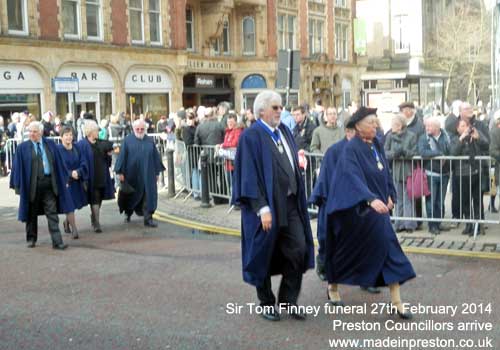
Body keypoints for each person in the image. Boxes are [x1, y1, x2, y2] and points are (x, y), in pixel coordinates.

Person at [231, 90, 315, 322]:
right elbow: (248, 175)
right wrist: (261, 208)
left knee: (298, 249)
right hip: (266, 208)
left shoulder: (284, 131)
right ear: (261, 112)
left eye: (281, 107)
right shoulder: (251, 136)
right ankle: (266, 302)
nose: (281, 111)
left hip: (290, 204)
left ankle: (288, 299)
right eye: (275, 108)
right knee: (263, 254)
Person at [325, 107, 415, 319]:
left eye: (376, 122)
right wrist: (370, 198)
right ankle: (333, 287)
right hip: (358, 210)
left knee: (389, 247)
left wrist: (390, 193)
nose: (376, 126)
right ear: (357, 127)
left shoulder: (376, 144)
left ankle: (397, 302)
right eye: (371, 123)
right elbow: (352, 177)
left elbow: (385, 170)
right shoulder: (351, 149)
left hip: (380, 211)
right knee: (346, 252)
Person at [9, 121, 72, 249]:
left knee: (52, 213)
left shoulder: (50, 144)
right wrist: (18, 186)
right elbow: (17, 168)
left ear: (41, 132)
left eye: (35, 131)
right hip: (32, 185)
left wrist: (64, 179)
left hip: (49, 183)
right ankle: (31, 238)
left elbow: (59, 163)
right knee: (31, 213)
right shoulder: (22, 148)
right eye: (30, 131)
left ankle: (57, 241)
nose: (31, 134)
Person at [115, 119, 165, 227]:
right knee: (130, 196)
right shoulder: (127, 140)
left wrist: (157, 172)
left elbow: (155, 156)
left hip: (148, 173)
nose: (140, 131)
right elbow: (122, 156)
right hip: (131, 174)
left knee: (148, 195)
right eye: (137, 129)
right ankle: (128, 213)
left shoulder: (150, 140)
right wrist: (120, 172)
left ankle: (148, 218)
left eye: (142, 129)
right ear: (133, 129)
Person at [450, 119, 489, 236]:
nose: (465, 128)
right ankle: (468, 225)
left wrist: (478, 137)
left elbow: (486, 145)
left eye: (466, 126)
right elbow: (452, 153)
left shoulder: (475, 135)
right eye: (461, 126)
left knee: (477, 201)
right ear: (457, 129)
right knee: (465, 201)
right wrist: (461, 138)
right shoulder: (455, 139)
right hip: (462, 174)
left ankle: (478, 225)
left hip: (476, 172)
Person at [77, 120, 115, 233]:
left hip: (102, 174)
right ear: (90, 132)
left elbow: (108, 156)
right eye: (96, 130)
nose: (98, 132)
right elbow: (79, 160)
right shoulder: (82, 145)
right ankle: (96, 223)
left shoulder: (100, 143)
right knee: (94, 198)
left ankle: (94, 218)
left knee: (99, 198)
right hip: (90, 176)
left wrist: (109, 155)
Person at [417, 117, 451, 235]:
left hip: (445, 173)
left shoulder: (446, 136)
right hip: (431, 173)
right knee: (431, 201)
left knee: (440, 201)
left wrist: (444, 154)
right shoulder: (423, 138)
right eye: (426, 126)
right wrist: (439, 153)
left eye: (429, 126)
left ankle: (438, 223)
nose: (427, 128)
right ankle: (432, 225)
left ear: (437, 127)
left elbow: (450, 151)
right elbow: (422, 152)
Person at [385, 114, 418, 233]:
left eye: (394, 124)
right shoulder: (389, 136)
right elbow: (385, 152)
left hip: (408, 170)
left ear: (399, 126)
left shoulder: (411, 136)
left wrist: (405, 152)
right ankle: (399, 223)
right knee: (398, 198)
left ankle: (409, 224)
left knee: (408, 198)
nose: (392, 127)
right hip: (395, 170)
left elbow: (414, 151)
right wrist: (394, 153)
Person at [57, 126, 88, 239]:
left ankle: (66, 222)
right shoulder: (58, 150)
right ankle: (74, 229)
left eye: (70, 135)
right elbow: (58, 166)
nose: (69, 137)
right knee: (69, 205)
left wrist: (78, 172)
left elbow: (83, 162)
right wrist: (70, 173)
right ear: (61, 137)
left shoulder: (77, 148)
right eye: (66, 135)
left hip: (77, 181)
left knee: (73, 205)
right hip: (65, 182)